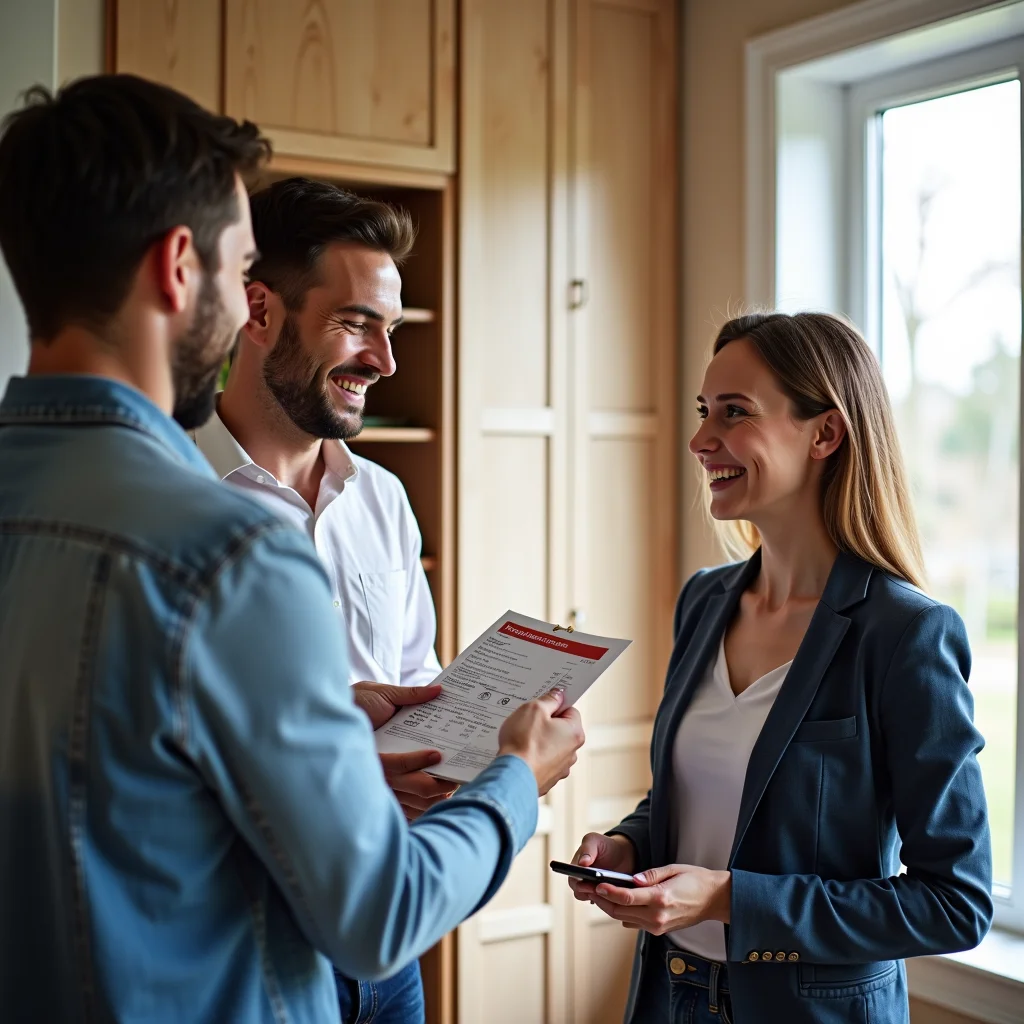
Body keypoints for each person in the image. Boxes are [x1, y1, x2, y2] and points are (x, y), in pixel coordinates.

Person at [0, 74, 585, 1024]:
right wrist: (519, 777)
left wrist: (326, 724)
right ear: (177, 268)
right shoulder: (219, 550)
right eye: (238, 274)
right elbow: (379, 910)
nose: (240, 309)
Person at [566, 312, 992, 1024]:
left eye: (734, 413)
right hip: (669, 1000)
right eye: (705, 413)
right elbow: (703, 799)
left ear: (824, 434)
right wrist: (628, 843)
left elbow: (956, 902)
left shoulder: (906, 634)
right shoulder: (704, 601)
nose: (702, 440)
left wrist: (731, 898)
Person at [192, 175, 454, 1022]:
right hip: (240, 946)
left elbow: (416, 672)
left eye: (391, 328)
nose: (384, 359)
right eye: (354, 324)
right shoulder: (170, 497)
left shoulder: (383, 500)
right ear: (258, 312)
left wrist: (468, 754)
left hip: (388, 940)